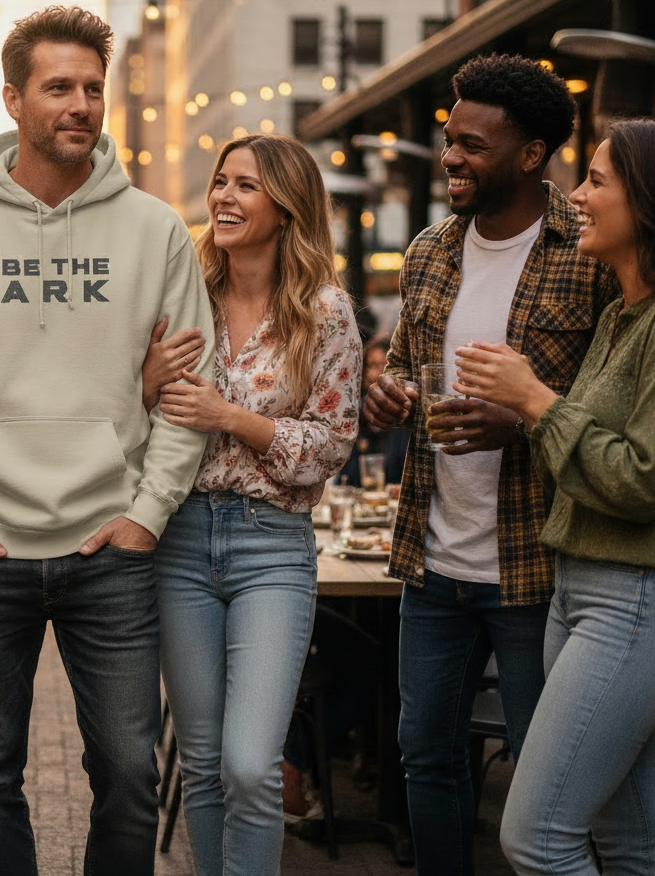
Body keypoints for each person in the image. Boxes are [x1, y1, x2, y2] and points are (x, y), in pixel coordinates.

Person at [0, 5, 214, 873]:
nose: (80, 104)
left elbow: (187, 392)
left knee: (128, 777)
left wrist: (147, 513)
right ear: (12, 100)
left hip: (113, 550)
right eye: (58, 86)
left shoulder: (155, 231)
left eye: (93, 89)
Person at [363, 53, 618, 875]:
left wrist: (523, 421)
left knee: (545, 777)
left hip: (538, 565)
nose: (451, 158)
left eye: (472, 145)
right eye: (448, 139)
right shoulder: (431, 251)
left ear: (531, 154)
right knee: (425, 757)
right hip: (432, 561)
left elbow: (611, 400)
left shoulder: (590, 252)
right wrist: (390, 394)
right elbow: (404, 363)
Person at [143, 133, 361, 875]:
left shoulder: (326, 313)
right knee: (202, 763)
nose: (224, 198)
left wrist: (232, 418)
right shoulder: (182, 298)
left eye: (247, 186)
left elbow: (331, 445)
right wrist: (144, 382)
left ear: (287, 206)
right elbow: (134, 418)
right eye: (220, 182)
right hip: (179, 540)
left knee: (249, 764)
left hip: (272, 546)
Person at [452, 119, 655, 876]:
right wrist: (515, 416)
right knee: (630, 840)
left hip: (629, 601)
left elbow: (642, 479)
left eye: (598, 182)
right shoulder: (619, 316)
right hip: (581, 589)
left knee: (535, 837)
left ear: (647, 203)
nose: (577, 197)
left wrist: (536, 400)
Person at [341, 333, 410, 487]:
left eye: (385, 366)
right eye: (373, 365)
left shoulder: (408, 418)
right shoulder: (354, 418)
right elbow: (344, 479)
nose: (379, 373)